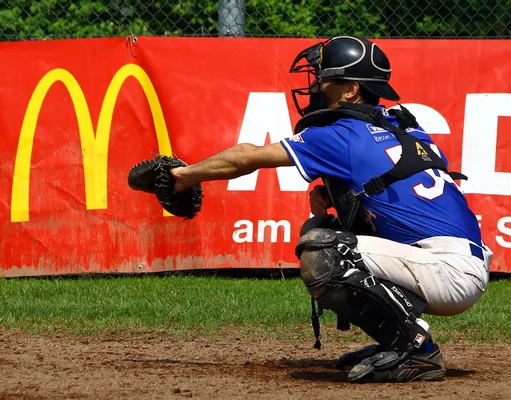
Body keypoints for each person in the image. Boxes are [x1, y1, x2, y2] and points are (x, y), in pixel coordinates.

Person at [163, 36, 493, 383]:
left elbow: (246, 157)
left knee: (324, 249)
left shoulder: (343, 134)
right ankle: (396, 339)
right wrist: (333, 192)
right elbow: (392, 187)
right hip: (455, 261)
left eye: (326, 78)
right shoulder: (401, 124)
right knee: (323, 230)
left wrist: (182, 176)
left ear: (351, 89)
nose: (317, 85)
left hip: (447, 269)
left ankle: (417, 349)